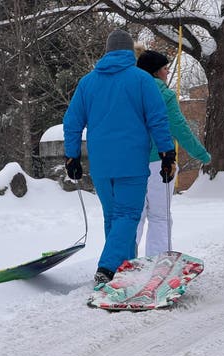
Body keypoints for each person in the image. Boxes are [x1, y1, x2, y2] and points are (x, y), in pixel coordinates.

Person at [62, 30, 177, 284]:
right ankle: (108, 267)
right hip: (132, 162)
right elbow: (158, 119)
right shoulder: (141, 80)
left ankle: (126, 269)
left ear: (107, 51)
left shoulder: (88, 83)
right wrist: (167, 153)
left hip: (101, 165)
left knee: (113, 217)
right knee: (127, 215)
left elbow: (71, 122)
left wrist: (71, 157)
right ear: (129, 52)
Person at [135, 49, 211, 257]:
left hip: (131, 162)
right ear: (156, 72)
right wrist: (202, 155)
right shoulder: (165, 96)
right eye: (166, 69)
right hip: (160, 162)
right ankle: (158, 262)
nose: (168, 73)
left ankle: (124, 262)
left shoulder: (129, 92)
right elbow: (180, 129)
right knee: (159, 216)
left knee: (134, 215)